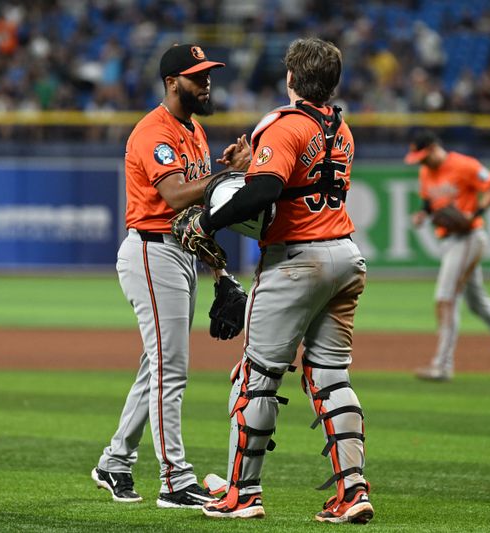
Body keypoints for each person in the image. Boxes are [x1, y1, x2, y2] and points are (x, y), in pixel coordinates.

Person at [188, 38, 375, 523]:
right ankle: (353, 491)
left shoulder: (285, 123)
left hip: (296, 260)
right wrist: (253, 160)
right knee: (332, 376)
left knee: (256, 378)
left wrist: (207, 223)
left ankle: (242, 494)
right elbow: (296, 180)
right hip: (346, 255)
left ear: (291, 77)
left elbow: (267, 191)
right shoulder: (342, 128)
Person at [92, 44, 250, 509]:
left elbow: (196, 218)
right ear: (171, 82)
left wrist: (221, 273)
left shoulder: (196, 132)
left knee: (156, 366)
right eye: (196, 76)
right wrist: (227, 174)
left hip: (180, 254)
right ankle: (174, 479)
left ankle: (115, 461)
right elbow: (178, 194)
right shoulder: (152, 131)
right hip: (151, 253)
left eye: (207, 75)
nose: (206, 83)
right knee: (170, 370)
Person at [405, 130, 490, 382]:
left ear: (432, 149)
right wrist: (423, 215)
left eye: (422, 156)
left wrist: (477, 212)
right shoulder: (425, 172)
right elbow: (429, 202)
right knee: (476, 301)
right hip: (449, 239)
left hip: (469, 238)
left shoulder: (465, 165)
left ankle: (443, 365)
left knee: (445, 297)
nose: (419, 162)